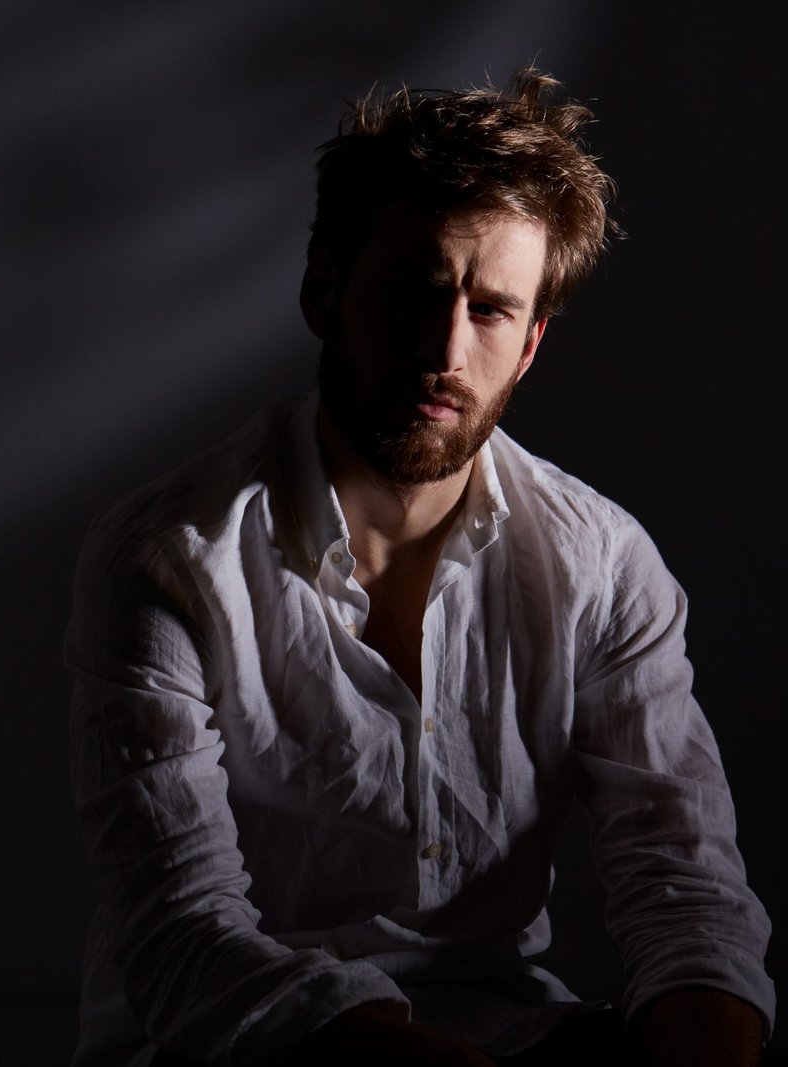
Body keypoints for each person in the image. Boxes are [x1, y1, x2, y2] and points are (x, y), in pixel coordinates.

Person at [66, 69, 774, 1067]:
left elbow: (685, 888)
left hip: (504, 1033)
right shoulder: (170, 559)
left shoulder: (605, 565)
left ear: (529, 345)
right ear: (324, 292)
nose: (446, 349)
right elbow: (181, 936)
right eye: (415, 291)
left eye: (490, 311)